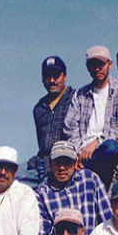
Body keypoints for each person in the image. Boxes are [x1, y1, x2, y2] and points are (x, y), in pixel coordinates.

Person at [62, 45, 118, 187]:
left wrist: (98, 141)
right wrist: (78, 153)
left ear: (110, 64)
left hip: (108, 145)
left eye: (101, 64)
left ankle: (84, 174)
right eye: (93, 65)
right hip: (82, 148)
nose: (97, 69)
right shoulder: (79, 95)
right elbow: (69, 127)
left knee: (110, 148)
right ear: (87, 67)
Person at [35, 141, 112, 235]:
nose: (62, 168)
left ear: (75, 162)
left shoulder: (89, 179)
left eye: (67, 162)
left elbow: (107, 220)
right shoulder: (41, 193)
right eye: (57, 163)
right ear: (50, 164)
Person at [26, 56, 75, 186]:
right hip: (42, 163)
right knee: (13, 184)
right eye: (48, 76)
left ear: (64, 76)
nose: (52, 80)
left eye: (56, 76)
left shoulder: (76, 99)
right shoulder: (39, 108)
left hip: (66, 162)